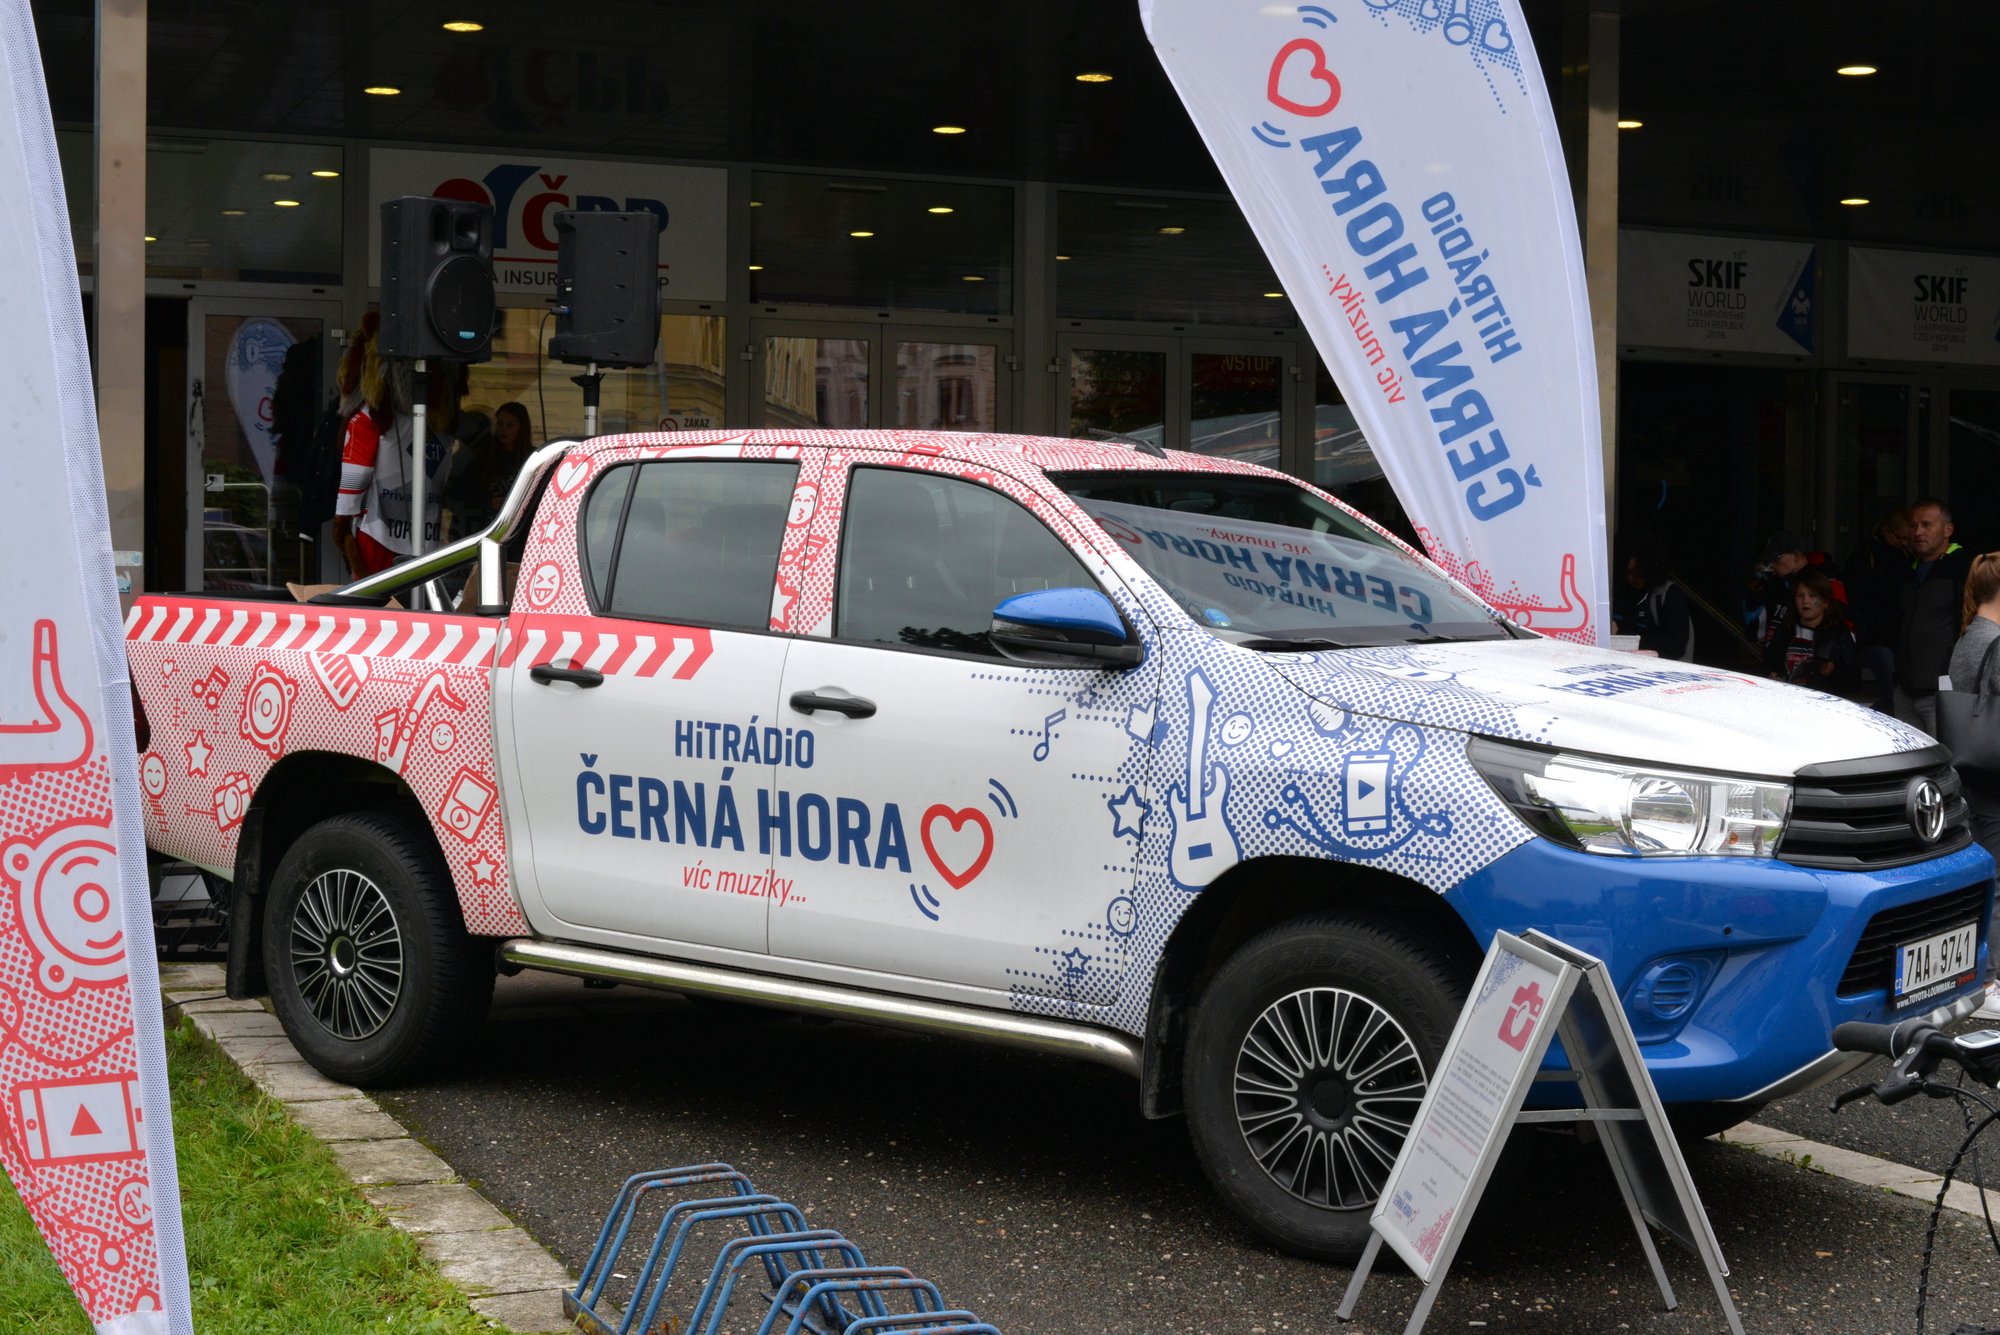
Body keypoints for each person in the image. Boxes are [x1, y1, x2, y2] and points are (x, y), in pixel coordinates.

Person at [332, 354, 456, 579]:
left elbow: (356, 475)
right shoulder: (441, 419)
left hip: (378, 534)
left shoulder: (371, 416)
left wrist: (341, 524)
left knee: (374, 600)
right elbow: (445, 476)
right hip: (427, 535)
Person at [1947, 553, 2000, 1020]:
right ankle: (1987, 981)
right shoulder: (1995, 641)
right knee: (1997, 878)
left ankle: (1979, 974)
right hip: (1994, 774)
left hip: (1975, 771)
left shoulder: (1968, 637)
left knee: (1985, 873)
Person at [1895, 498, 1973, 735]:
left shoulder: (1965, 566)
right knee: (1909, 754)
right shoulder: (1907, 568)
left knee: (1945, 754)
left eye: (1926, 525)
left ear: (1948, 530)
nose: (1918, 532)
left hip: (1943, 691)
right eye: (1913, 525)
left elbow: (1971, 624)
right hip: (1905, 688)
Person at [1843, 508, 1912, 714]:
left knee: (1897, 693)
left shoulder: (1904, 555)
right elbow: (1856, 596)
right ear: (1886, 531)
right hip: (1876, 634)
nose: (1904, 543)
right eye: (1900, 537)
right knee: (1893, 693)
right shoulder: (1866, 555)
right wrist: (1862, 629)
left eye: (1907, 539)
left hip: (1899, 633)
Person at [446, 400, 535, 538]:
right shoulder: (485, 457)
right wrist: (487, 500)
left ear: (521, 428)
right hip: (489, 531)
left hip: (522, 532)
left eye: (510, 425)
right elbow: (458, 492)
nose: (503, 429)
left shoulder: (533, 458)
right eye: (500, 423)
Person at [1765, 568, 1858, 693]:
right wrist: (1770, 675)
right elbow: (1766, 663)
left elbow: (1854, 682)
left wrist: (1833, 673)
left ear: (1826, 602)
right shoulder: (1785, 630)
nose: (1805, 601)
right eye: (1800, 596)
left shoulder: (1839, 634)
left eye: (1812, 595)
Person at [1611, 535, 1693, 660]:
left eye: (1640, 572)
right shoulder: (1617, 595)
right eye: (1630, 572)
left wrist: (1622, 636)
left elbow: (1674, 646)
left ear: (1651, 568)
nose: (1635, 578)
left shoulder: (1667, 594)